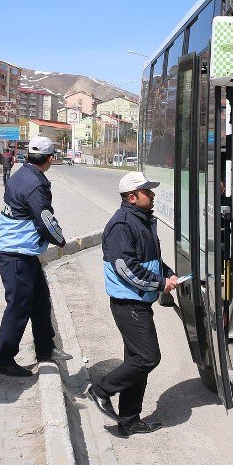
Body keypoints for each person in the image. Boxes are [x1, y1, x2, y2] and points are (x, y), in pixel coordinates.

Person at [86, 171, 179, 437]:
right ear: (131, 196)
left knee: (136, 360)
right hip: (128, 304)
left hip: (138, 301)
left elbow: (150, 260)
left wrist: (167, 274)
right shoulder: (122, 225)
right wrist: (161, 284)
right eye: (147, 191)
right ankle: (101, 389)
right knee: (148, 357)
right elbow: (125, 268)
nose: (152, 195)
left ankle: (128, 419)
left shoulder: (142, 220)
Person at [0, 136, 71, 376]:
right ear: (49, 159)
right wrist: (60, 240)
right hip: (16, 252)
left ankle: (46, 349)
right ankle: (4, 359)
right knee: (18, 306)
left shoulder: (20, 174)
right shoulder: (36, 185)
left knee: (40, 301)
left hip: (20, 250)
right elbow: (45, 221)